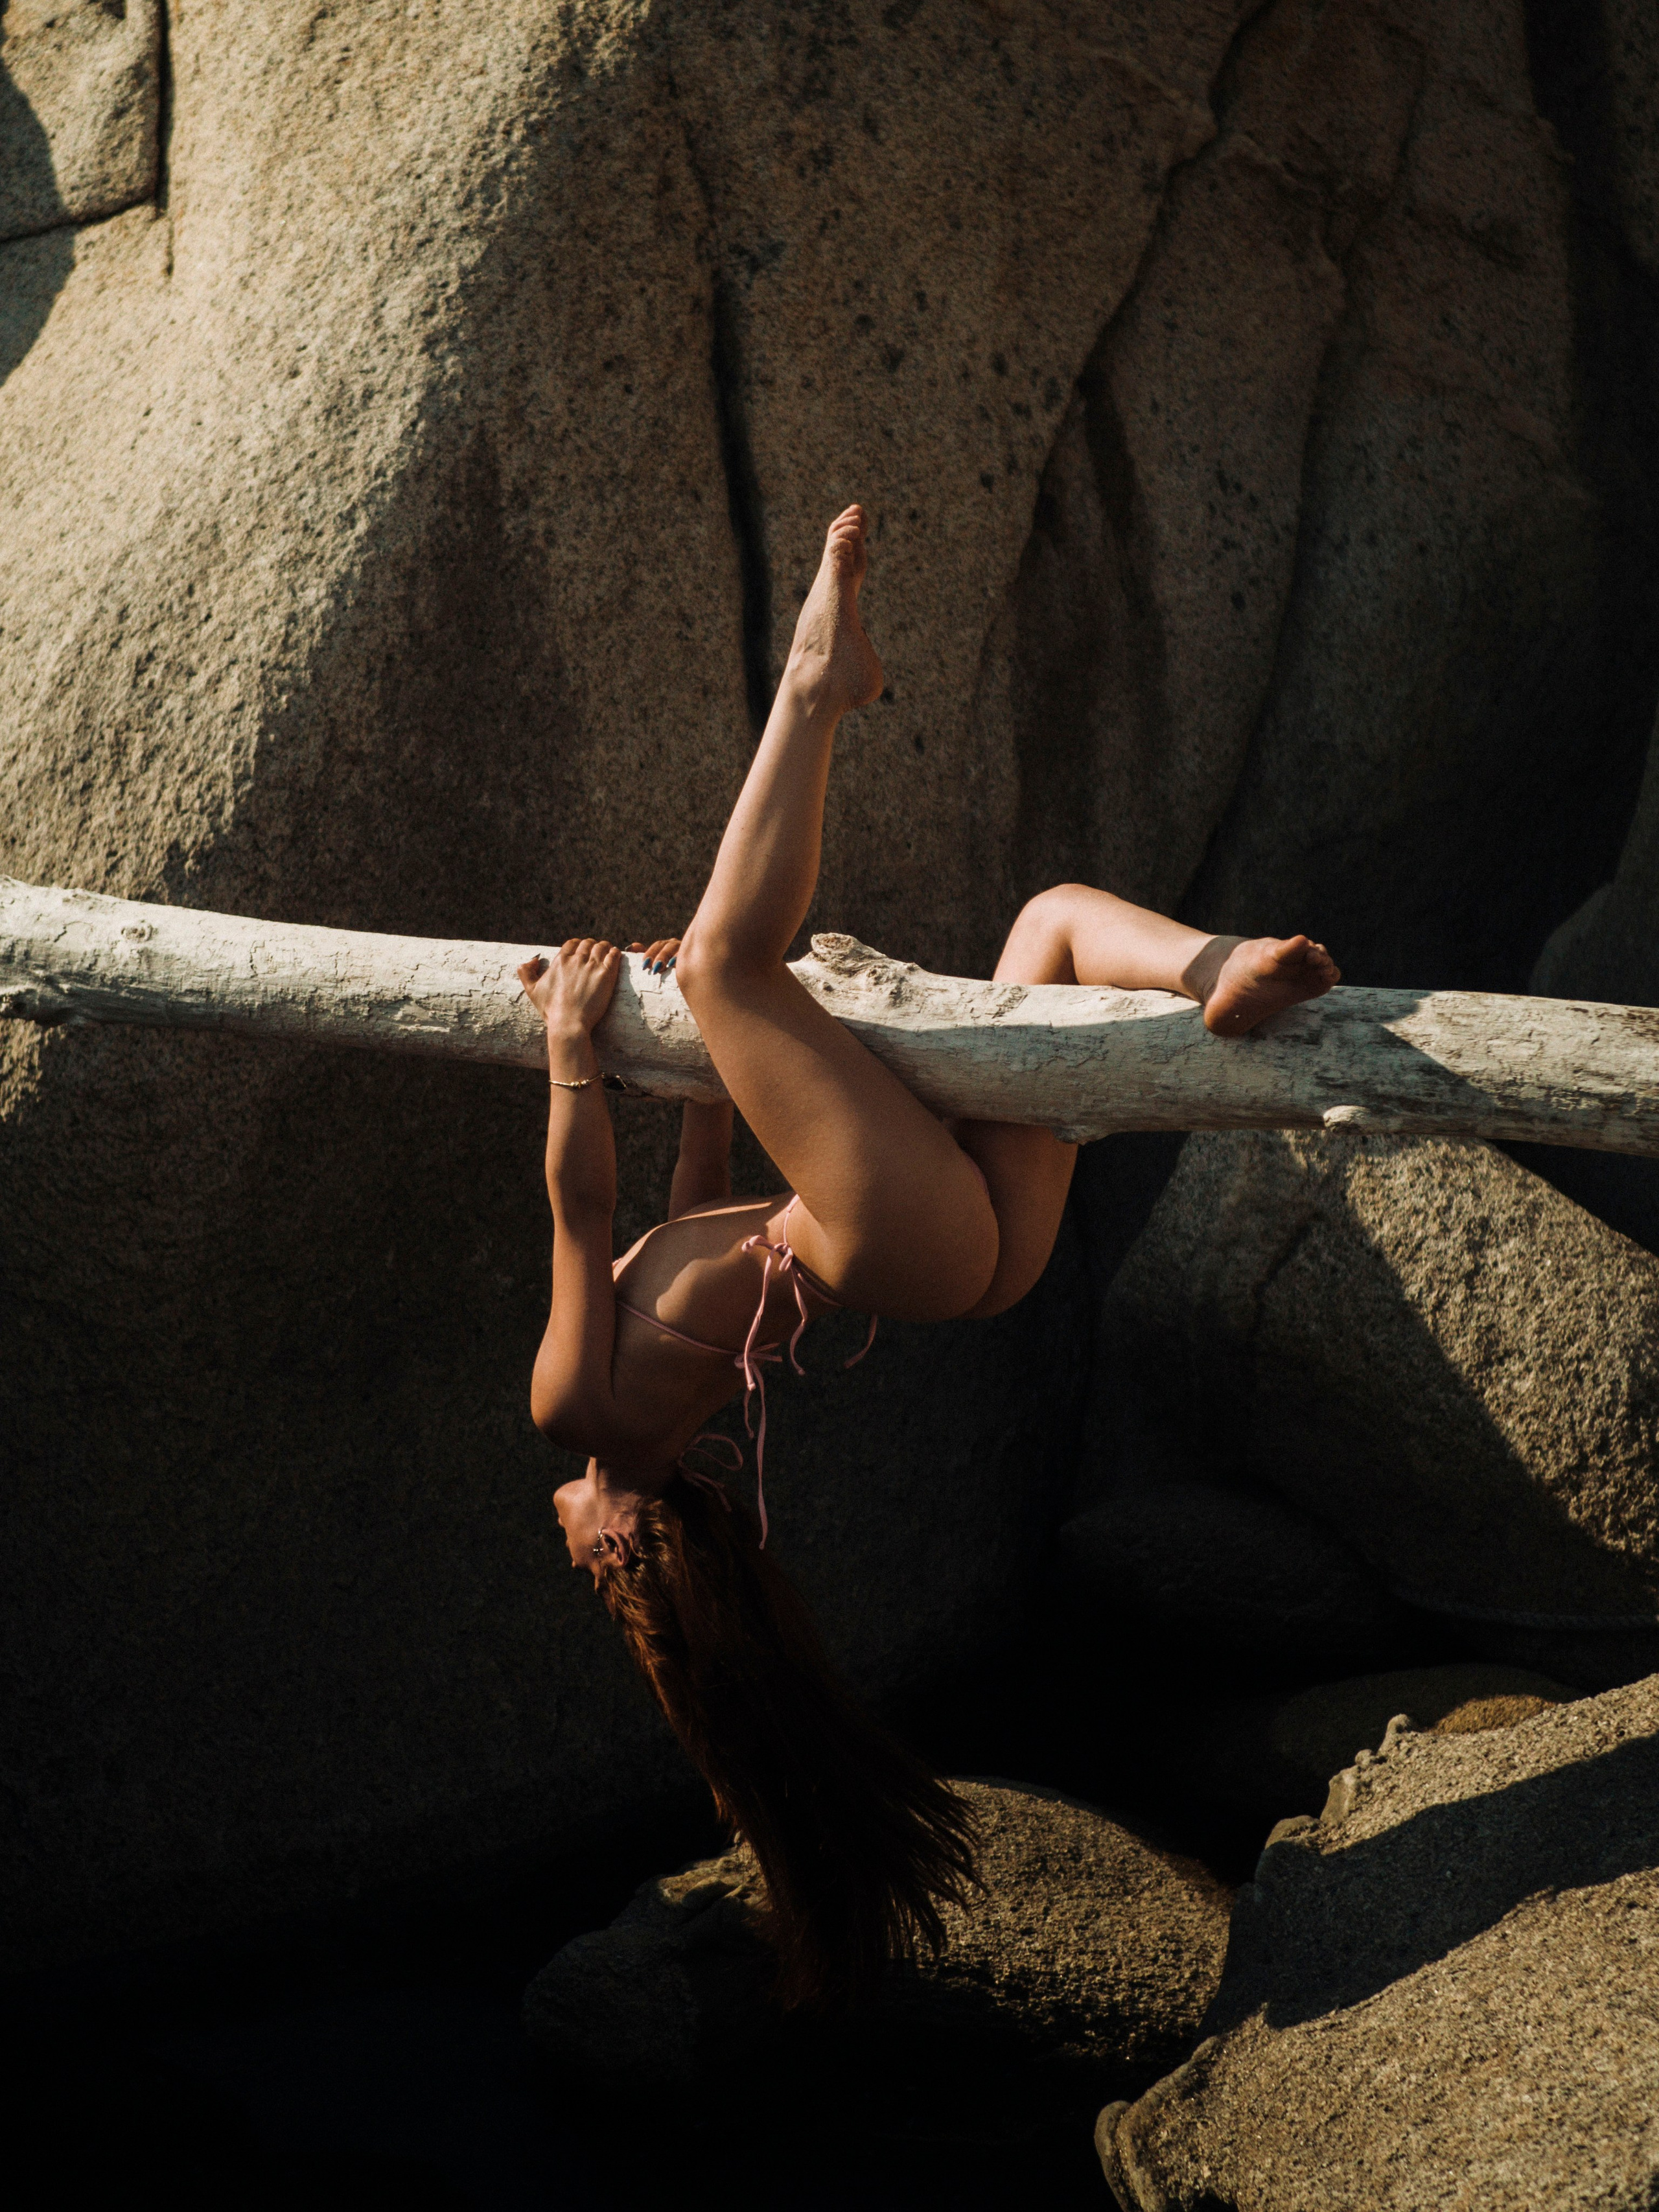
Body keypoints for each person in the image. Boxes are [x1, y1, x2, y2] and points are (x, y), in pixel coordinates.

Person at [516, 505, 1339, 2009]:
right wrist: (576, 1050)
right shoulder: (577, 1411)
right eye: (579, 1568)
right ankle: (818, 688)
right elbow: (579, 1210)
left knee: (1048, 930)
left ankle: (1217, 971)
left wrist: (689, 1069)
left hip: (958, 1259)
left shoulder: (660, 1412)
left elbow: (695, 1197)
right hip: (894, 1235)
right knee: (731, 959)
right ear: (617, 1550)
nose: (559, 1542)